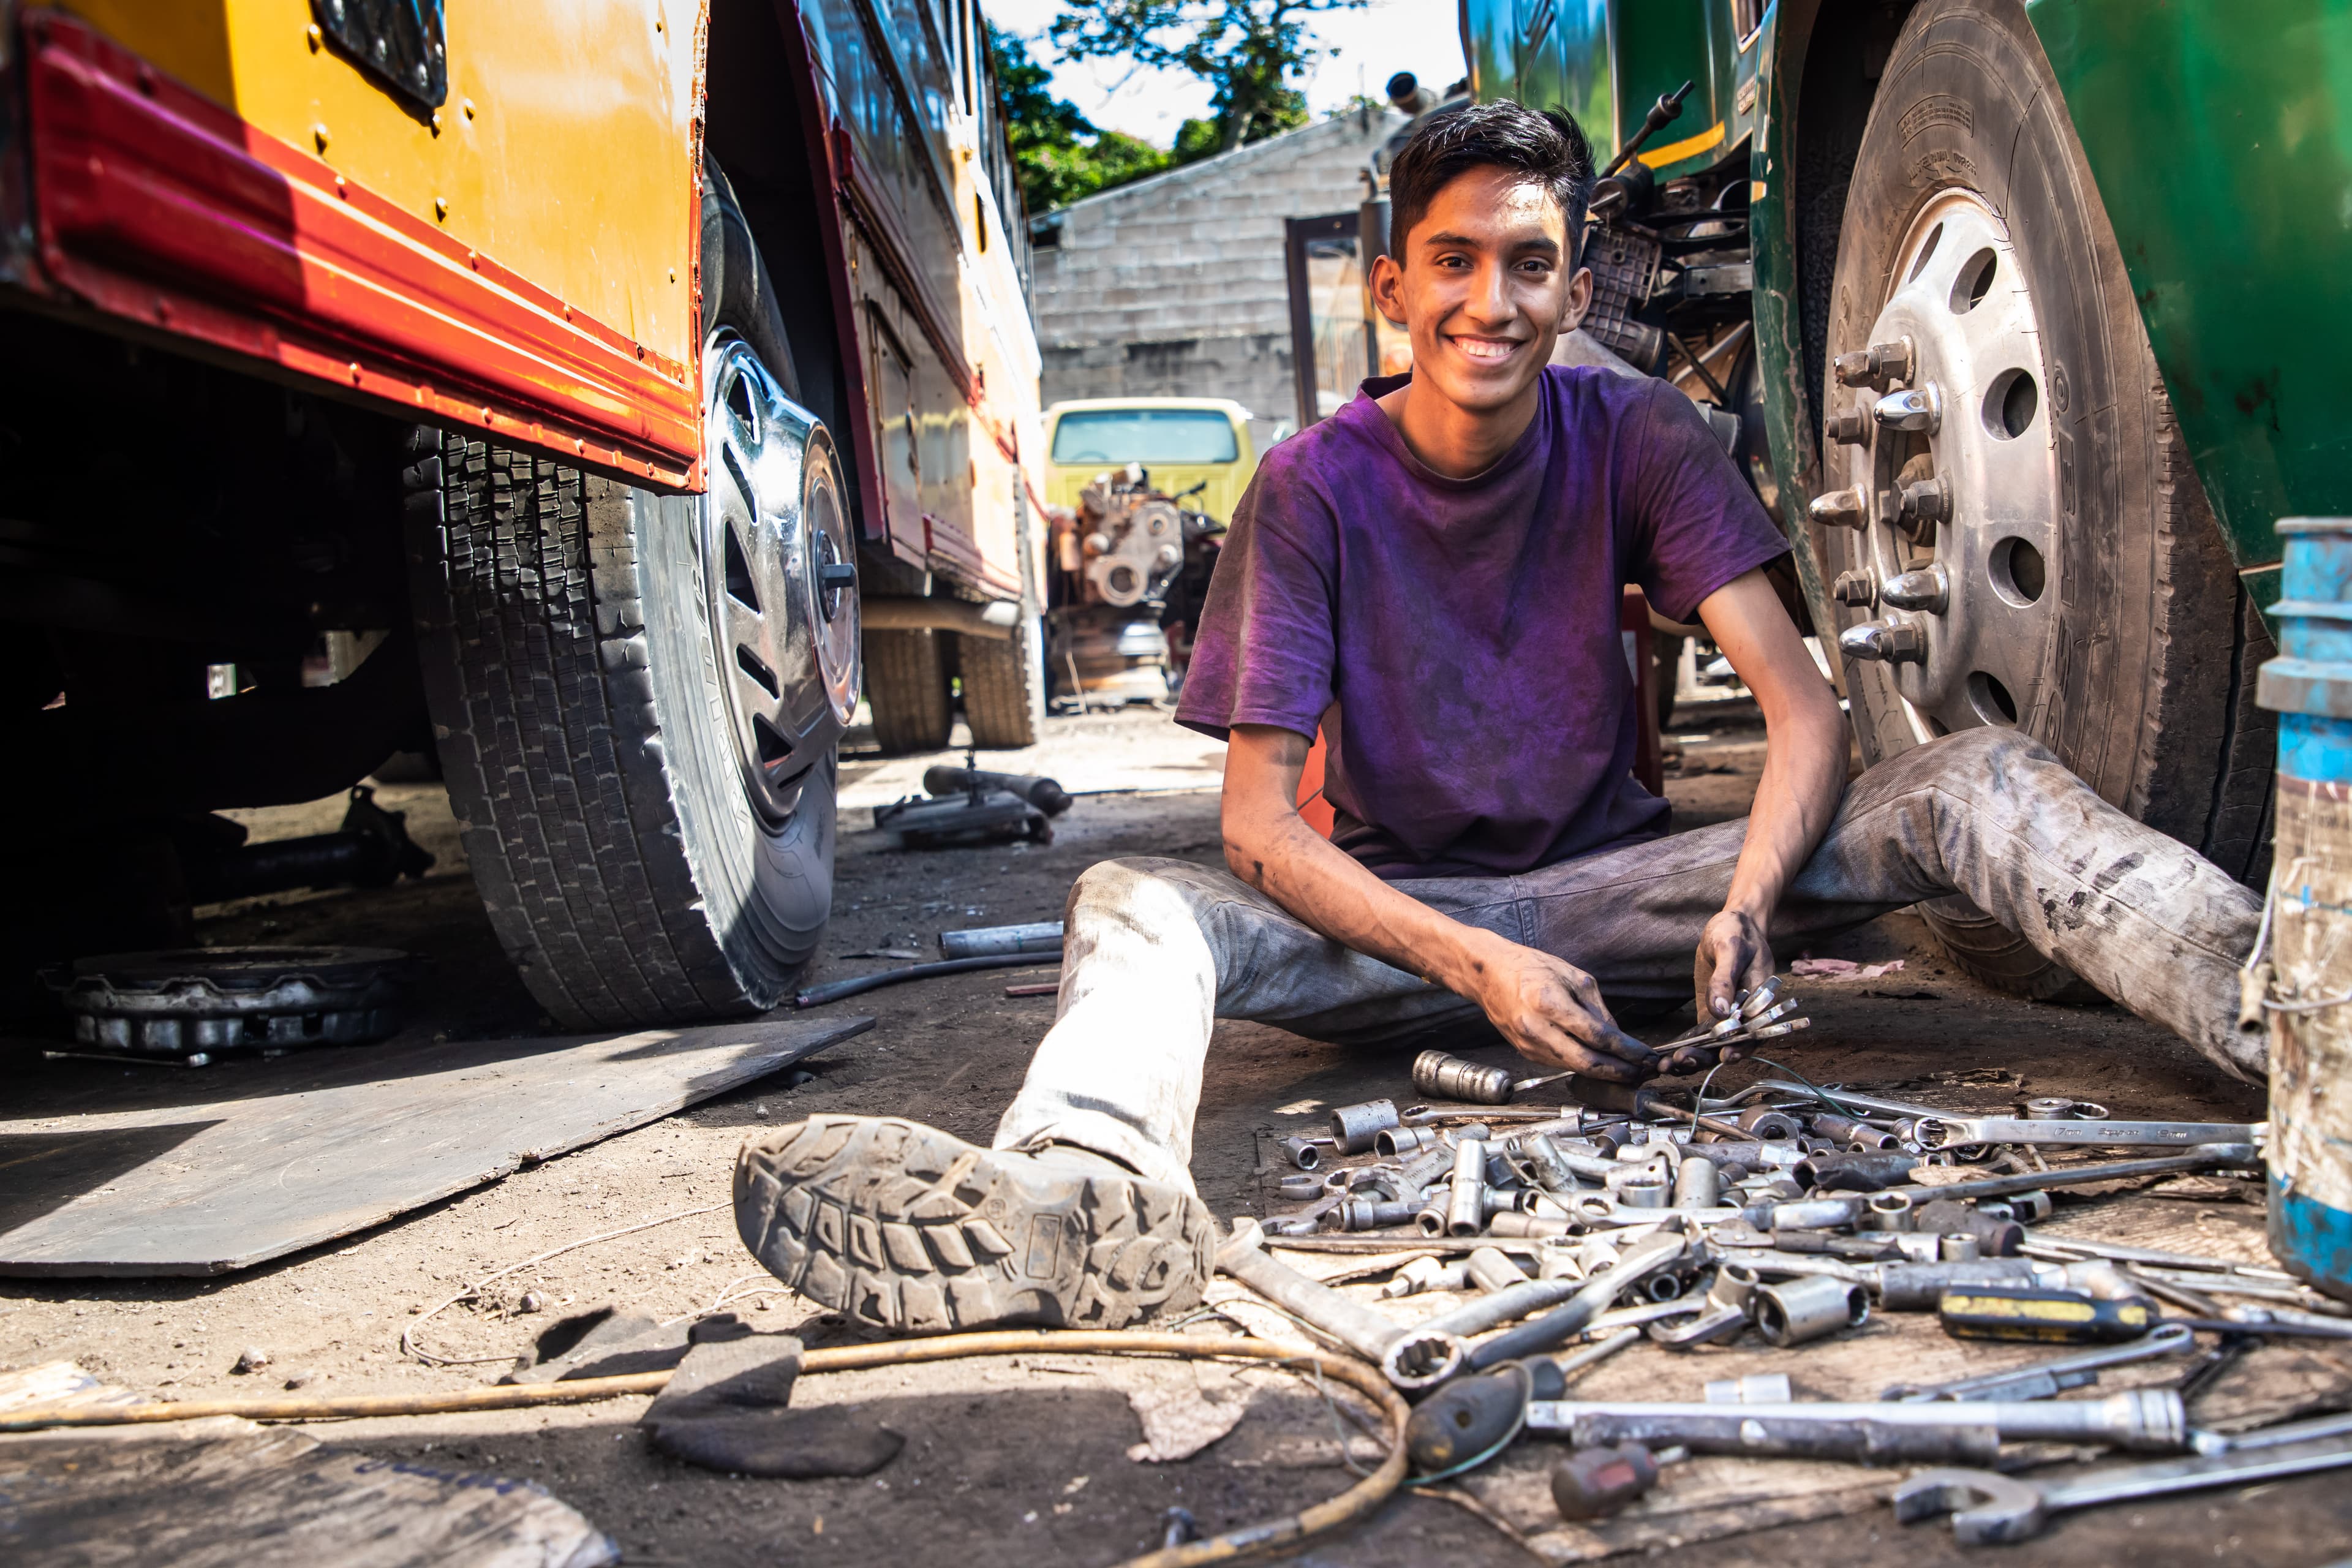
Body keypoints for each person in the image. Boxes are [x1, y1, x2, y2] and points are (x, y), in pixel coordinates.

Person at [734, 102, 2264, 1336]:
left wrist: (1742, 900)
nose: (1493, 300)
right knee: (1135, 901)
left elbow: (1805, 713)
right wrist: (1474, 959)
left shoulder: (1640, 432)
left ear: (1575, 287)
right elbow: (1258, 830)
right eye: (1452, 262)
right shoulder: (1309, 487)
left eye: (1529, 263)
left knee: (1979, 778)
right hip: (1404, 924)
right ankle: (1070, 1189)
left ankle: (2286, 1016)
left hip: (1627, 899)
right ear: (1390, 288)